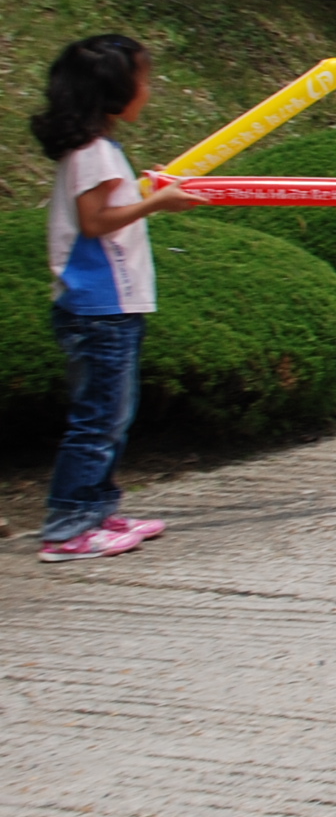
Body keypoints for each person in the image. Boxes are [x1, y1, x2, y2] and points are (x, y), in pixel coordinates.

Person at [31, 35, 191, 561]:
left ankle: (96, 510)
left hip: (109, 307)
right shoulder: (95, 152)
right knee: (98, 419)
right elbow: (94, 222)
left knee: (112, 416)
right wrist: (157, 204)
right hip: (100, 307)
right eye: (144, 80)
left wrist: (145, 191)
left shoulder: (96, 148)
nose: (150, 89)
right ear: (115, 90)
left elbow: (104, 207)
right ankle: (66, 526)